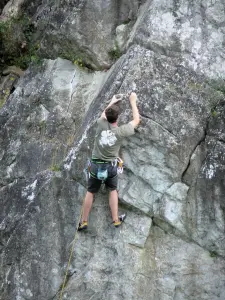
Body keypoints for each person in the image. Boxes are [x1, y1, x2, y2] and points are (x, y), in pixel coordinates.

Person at [78, 92, 140, 230]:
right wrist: (133, 101)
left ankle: (84, 221)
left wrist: (112, 101)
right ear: (117, 118)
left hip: (95, 166)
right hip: (111, 168)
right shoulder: (121, 131)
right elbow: (136, 120)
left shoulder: (100, 124)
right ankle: (115, 219)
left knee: (91, 191)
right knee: (112, 190)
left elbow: (102, 115)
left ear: (107, 116)